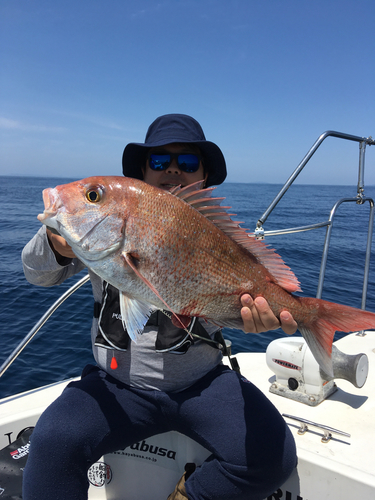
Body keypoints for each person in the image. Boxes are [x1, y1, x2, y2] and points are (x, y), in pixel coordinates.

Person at [22, 114, 297, 500]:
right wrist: (56, 242)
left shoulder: (213, 232)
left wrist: (254, 319)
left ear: (202, 174)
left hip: (200, 383)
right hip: (117, 385)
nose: (172, 169)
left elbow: (231, 305)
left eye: (186, 163)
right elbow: (37, 273)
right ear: (142, 172)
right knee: (51, 441)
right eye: (159, 161)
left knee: (274, 454)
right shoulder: (107, 223)